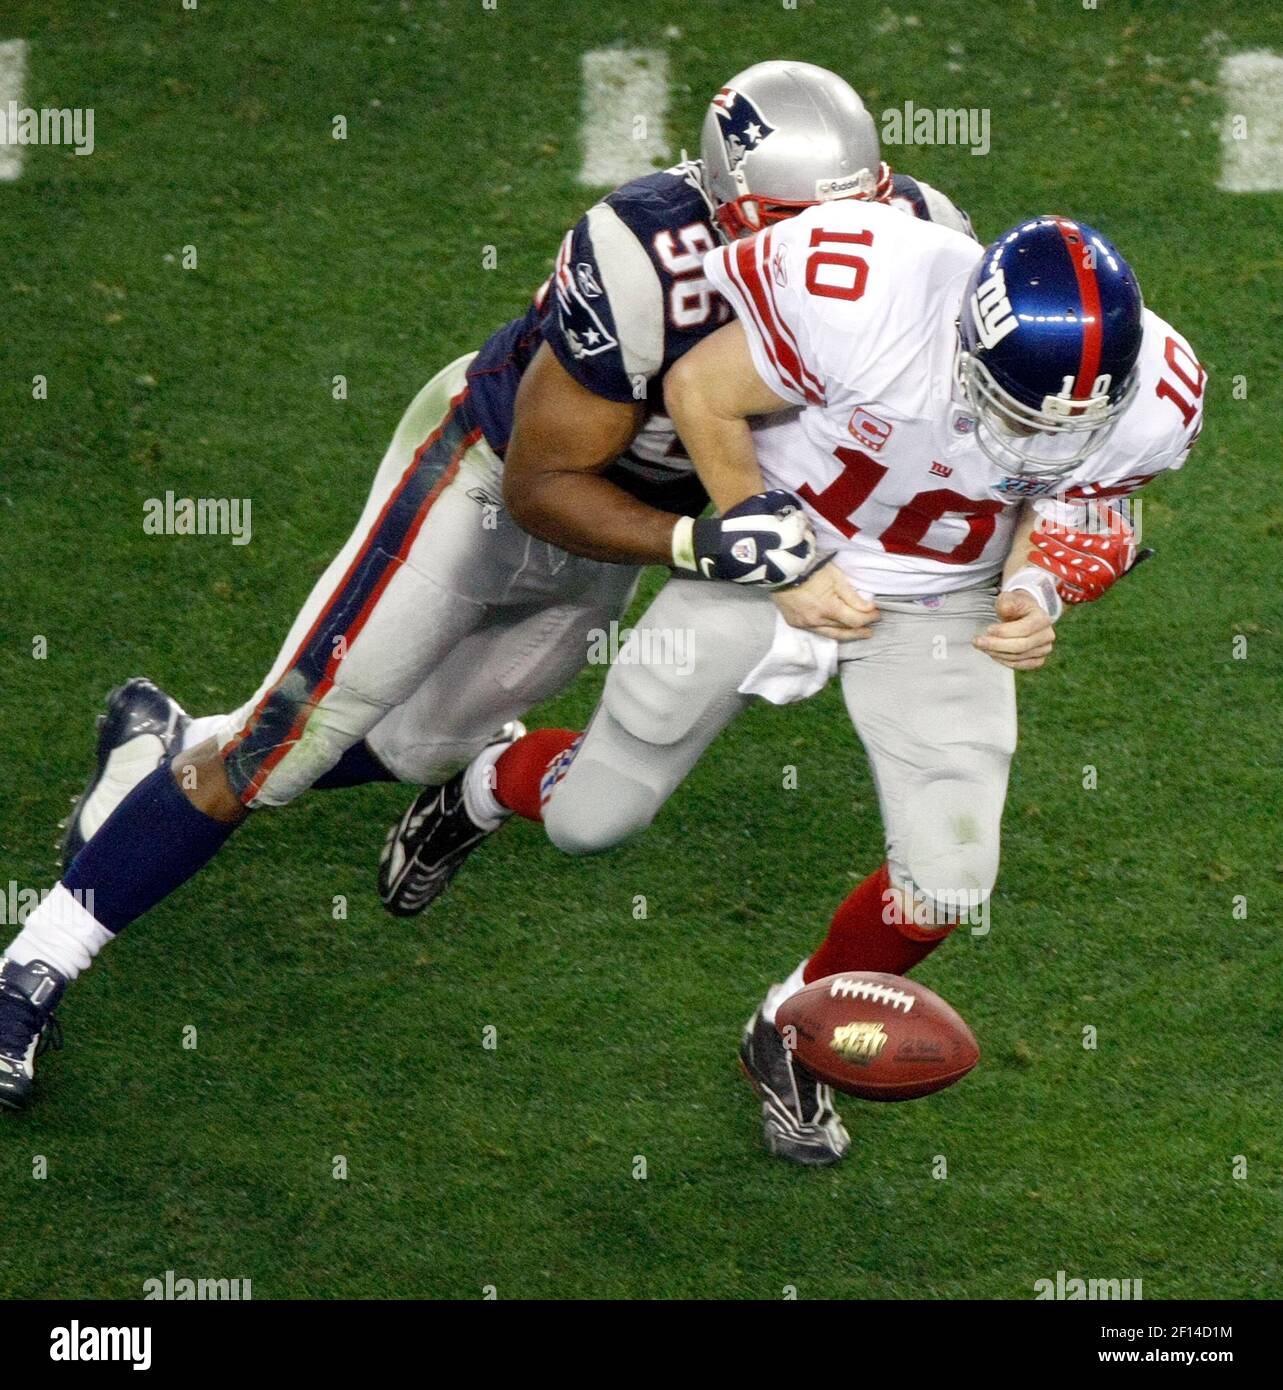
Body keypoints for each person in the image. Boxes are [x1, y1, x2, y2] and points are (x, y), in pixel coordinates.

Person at [1, 62, 971, 1111]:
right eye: (785, 222)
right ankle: (33, 965)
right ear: (729, 207)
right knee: (283, 743)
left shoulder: (924, 239)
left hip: (628, 535)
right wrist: (702, 543)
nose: (834, 252)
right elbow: (544, 483)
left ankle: (159, 746)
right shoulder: (646, 254)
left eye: (861, 213)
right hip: (484, 493)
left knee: (419, 746)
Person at [410, 208, 1205, 1165]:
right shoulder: (870, 294)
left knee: (949, 882)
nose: (1034, 444)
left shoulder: (1157, 392)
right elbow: (701, 387)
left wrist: (1036, 589)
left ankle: (788, 1029)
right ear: (966, 337)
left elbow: (1082, 506)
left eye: (1067, 424)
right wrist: (775, 558)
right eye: (1018, 410)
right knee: (593, 820)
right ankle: (491, 780)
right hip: (786, 551)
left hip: (942, 600)